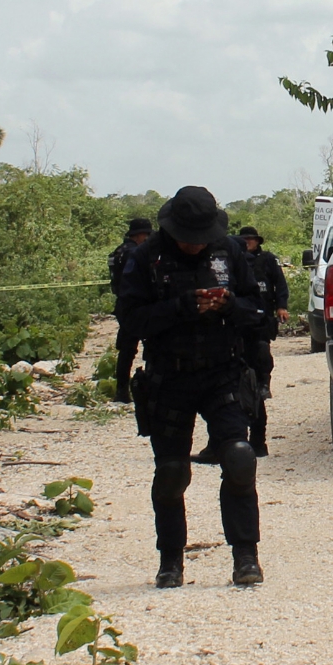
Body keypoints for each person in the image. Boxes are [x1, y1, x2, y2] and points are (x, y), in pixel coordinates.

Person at [117, 186, 267, 589]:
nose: (194, 244)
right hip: (169, 376)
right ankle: (170, 561)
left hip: (223, 372)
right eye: (187, 237)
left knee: (239, 458)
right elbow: (130, 319)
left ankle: (246, 556)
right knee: (170, 472)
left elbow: (259, 313)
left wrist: (228, 305)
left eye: (200, 238)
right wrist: (182, 307)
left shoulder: (229, 252)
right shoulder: (145, 257)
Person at [234, 225, 288, 456]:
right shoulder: (232, 268)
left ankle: (257, 441)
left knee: (261, 359)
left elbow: (280, 284)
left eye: (251, 240)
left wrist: (281, 307)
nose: (248, 243)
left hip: (260, 321)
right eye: (244, 240)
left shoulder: (267, 261)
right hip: (236, 328)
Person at [108, 218, 154, 403]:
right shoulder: (136, 253)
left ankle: (121, 390)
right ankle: (148, 387)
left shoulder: (117, 252)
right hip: (139, 304)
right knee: (151, 345)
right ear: (140, 235)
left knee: (126, 349)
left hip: (123, 304)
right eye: (147, 234)